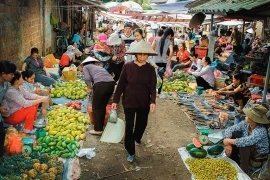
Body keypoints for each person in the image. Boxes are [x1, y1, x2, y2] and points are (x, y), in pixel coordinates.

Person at [112, 40, 157, 162]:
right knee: (129, 126)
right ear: (136, 54)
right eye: (140, 54)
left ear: (148, 55)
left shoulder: (150, 69)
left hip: (144, 102)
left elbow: (153, 87)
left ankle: (137, 138)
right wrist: (115, 100)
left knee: (142, 124)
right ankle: (130, 151)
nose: (142, 57)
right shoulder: (127, 66)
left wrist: (152, 101)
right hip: (129, 101)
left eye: (145, 54)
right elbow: (120, 84)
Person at [223, 104, 269, 173]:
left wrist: (227, 141)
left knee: (244, 145)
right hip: (248, 150)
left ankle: (243, 170)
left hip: (258, 155)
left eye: (248, 115)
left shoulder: (260, 130)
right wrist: (228, 144)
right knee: (235, 134)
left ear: (254, 119)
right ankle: (234, 160)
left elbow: (246, 141)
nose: (246, 115)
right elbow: (229, 129)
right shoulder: (245, 124)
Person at [82, 57, 115, 135]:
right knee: (102, 106)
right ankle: (100, 127)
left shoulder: (86, 67)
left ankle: (98, 130)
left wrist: (89, 88)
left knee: (96, 107)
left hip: (101, 84)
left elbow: (87, 78)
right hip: (111, 84)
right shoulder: (98, 67)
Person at [0, 60, 16, 156]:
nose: (13, 76)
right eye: (11, 74)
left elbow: (3, 98)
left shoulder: (5, 84)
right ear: (3, 74)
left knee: (2, 134)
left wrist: (4, 106)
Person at [152, 28, 174, 94]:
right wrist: (168, 60)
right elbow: (171, 52)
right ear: (169, 35)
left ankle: (153, 92)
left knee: (154, 76)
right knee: (161, 77)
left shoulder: (156, 39)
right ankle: (159, 92)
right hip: (163, 62)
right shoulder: (169, 42)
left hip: (155, 60)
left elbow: (152, 48)